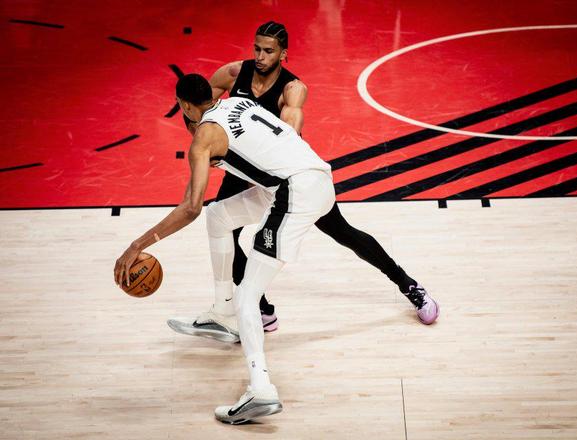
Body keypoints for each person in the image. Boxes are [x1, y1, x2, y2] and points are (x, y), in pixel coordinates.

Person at [168, 21, 438, 344]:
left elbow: (291, 130)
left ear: (284, 54)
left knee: (343, 232)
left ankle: (409, 286)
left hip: (283, 175)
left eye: (269, 51)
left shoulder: (292, 89)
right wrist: (205, 145)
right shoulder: (233, 73)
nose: (260, 56)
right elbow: (197, 112)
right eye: (257, 48)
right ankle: (260, 309)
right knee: (226, 230)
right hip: (242, 172)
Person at [116, 73, 338, 423]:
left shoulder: (204, 135)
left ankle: (261, 389)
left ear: (185, 105)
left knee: (248, 294)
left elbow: (189, 207)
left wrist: (136, 245)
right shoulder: (238, 102)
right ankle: (223, 313)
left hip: (295, 192)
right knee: (218, 215)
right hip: (315, 178)